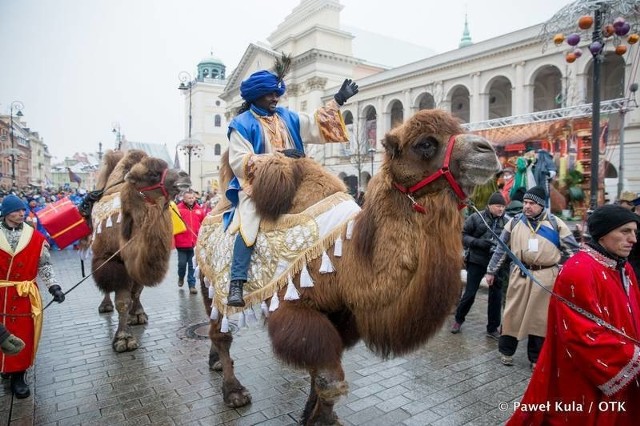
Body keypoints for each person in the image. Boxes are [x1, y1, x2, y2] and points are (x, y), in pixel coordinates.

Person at [225, 61, 358, 307]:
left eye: (277, 92)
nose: (276, 97)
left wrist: (338, 100)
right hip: (258, 187)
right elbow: (240, 162)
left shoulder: (286, 116)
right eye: (270, 93)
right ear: (256, 95)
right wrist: (280, 157)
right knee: (249, 222)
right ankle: (237, 282)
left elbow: (316, 123)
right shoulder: (241, 124)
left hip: (297, 180)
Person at [508, 204, 640, 425]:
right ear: (603, 234)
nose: (633, 239)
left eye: (635, 232)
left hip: (623, 370)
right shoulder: (578, 270)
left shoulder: (623, 268)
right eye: (625, 231)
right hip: (587, 377)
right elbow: (582, 335)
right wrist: (633, 359)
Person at [485, 186, 579, 369]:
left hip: (545, 277)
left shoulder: (555, 223)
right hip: (519, 274)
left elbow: (572, 252)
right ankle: (506, 352)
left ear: (541, 205)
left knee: (539, 318)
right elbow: (501, 249)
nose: (527, 206)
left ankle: (535, 358)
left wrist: (563, 272)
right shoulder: (514, 223)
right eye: (526, 203)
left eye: (532, 203)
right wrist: (491, 271)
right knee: (512, 313)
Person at [0, 194, 65, 399]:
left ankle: (19, 375)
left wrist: (53, 286)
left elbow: (44, 264)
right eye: (17, 210)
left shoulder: (35, 237)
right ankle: (5, 368)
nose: (22, 213)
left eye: (23, 210)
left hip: (25, 295)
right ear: (5, 213)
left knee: (23, 333)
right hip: (1, 292)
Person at [451, 192, 510, 339]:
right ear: (489, 206)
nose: (501, 209)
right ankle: (458, 319)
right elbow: (462, 235)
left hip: (496, 263)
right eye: (498, 206)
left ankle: (492, 328)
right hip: (477, 260)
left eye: (503, 206)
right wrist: (477, 243)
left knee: (495, 296)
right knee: (470, 293)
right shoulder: (476, 218)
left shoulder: (507, 222)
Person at [173, 190, 206, 294]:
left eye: (193, 198)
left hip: (194, 244)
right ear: (184, 199)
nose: (191, 200)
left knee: (192, 265)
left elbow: (204, 223)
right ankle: (181, 276)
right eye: (189, 198)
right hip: (181, 243)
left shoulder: (199, 210)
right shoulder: (177, 209)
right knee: (182, 264)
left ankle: (192, 285)